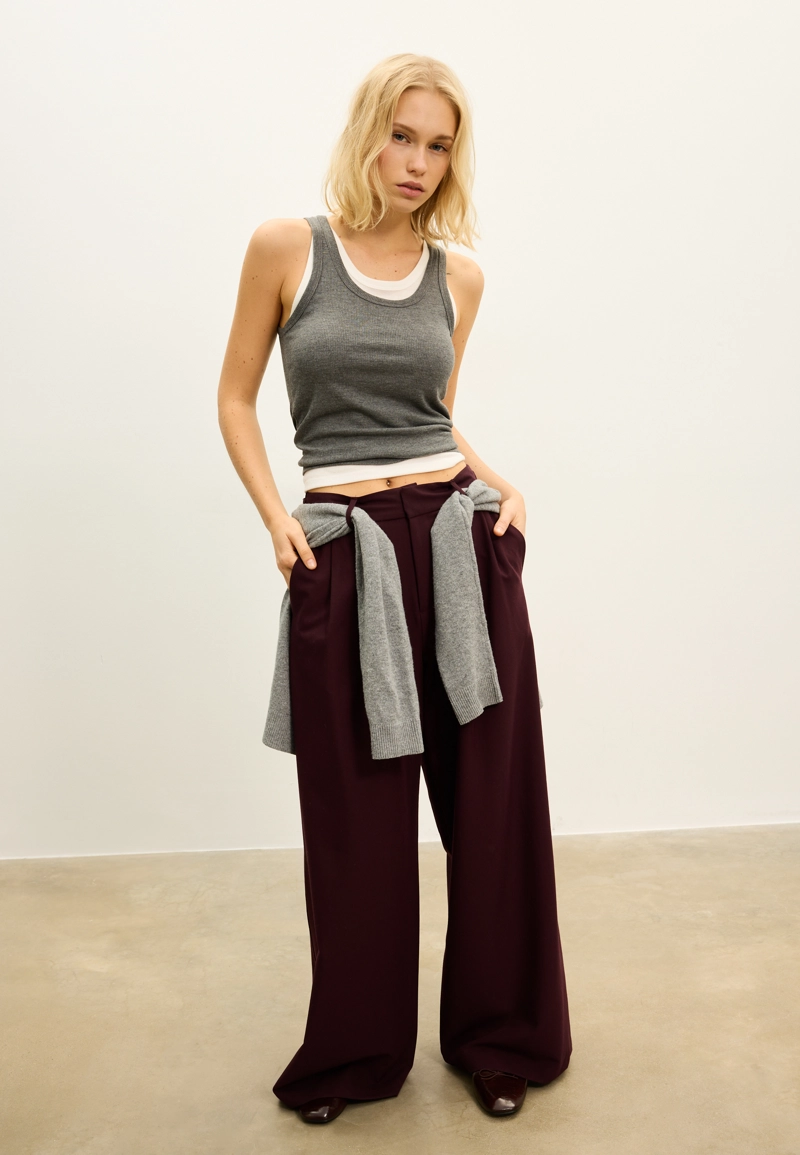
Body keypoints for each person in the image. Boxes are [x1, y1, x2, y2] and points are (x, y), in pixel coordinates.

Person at [217, 52, 572, 1125]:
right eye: (402, 135)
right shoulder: (287, 249)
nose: (417, 161)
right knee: (356, 823)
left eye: (438, 145)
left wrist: (502, 483)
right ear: (367, 132)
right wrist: (275, 516)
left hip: (460, 541)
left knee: (493, 809)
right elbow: (234, 397)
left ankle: (500, 1038)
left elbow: (435, 415)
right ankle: (354, 1053)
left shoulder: (458, 277)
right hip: (346, 550)